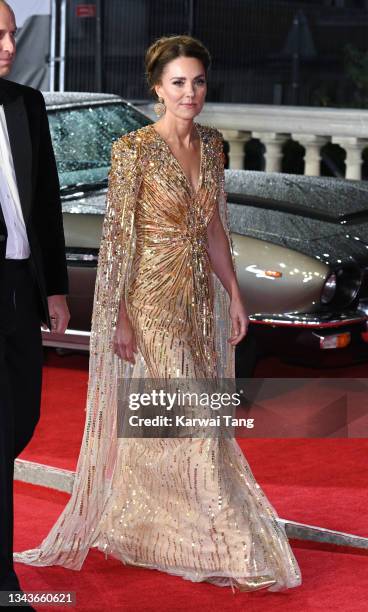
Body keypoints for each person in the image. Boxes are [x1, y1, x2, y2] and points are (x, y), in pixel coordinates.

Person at [15, 35, 301, 593]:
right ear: (156, 88)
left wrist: (235, 296)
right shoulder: (133, 150)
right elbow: (118, 241)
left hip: (196, 298)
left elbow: (214, 229)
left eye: (197, 82)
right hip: (149, 300)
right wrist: (119, 316)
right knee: (198, 423)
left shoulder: (213, 145)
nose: (189, 92)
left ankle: (151, 531)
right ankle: (234, 547)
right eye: (178, 82)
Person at [0, 0, 70, 600]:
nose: (8, 44)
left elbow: (45, 199)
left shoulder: (28, 103)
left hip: (21, 288)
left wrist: (55, 287)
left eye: (12, 33)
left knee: (23, 419)